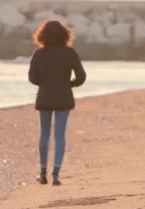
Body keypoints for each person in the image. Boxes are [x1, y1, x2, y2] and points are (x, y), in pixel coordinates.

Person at [28, 20, 86, 186]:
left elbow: (32, 78)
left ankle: (42, 172)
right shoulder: (70, 53)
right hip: (64, 97)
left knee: (44, 134)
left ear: (42, 35)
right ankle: (56, 174)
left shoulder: (39, 54)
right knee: (60, 135)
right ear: (64, 35)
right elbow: (81, 76)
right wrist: (70, 84)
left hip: (45, 97)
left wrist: (46, 83)